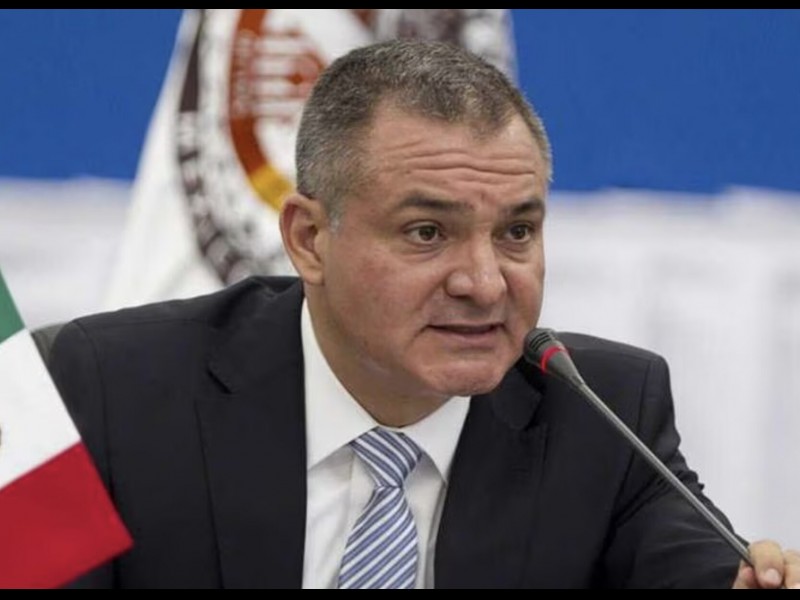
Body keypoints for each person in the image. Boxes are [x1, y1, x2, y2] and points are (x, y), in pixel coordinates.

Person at [50, 40, 798, 589]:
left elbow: (697, 570)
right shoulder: (113, 393)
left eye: (516, 232)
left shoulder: (600, 414)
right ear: (309, 239)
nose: (485, 283)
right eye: (427, 232)